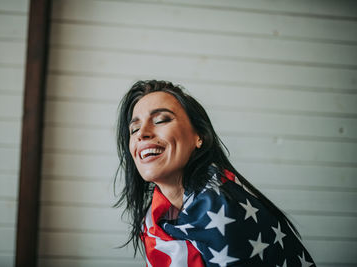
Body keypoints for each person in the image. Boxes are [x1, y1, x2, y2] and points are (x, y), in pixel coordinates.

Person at [115, 80, 316, 267]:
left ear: (199, 137)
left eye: (161, 120)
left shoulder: (223, 206)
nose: (142, 134)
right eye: (134, 129)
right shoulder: (153, 220)